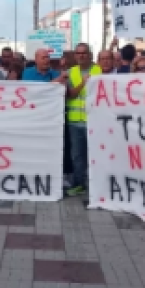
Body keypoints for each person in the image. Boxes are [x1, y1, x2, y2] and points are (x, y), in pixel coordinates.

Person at [63, 43, 101, 197]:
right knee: (77, 155)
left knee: (96, 153)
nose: (81, 56)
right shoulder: (71, 72)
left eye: (84, 53)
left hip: (94, 120)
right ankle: (79, 184)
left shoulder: (99, 71)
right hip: (75, 121)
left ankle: (98, 183)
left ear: (90, 55)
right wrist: (83, 82)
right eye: (78, 53)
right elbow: (70, 94)